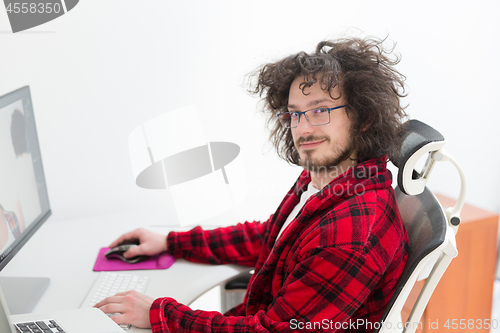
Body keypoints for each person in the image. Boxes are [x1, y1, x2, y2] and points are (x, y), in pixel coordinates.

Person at [96, 36, 410, 332]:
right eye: (295, 114)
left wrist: (159, 314)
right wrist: (171, 243)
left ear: (364, 116)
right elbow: (273, 238)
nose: (303, 129)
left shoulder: (351, 236)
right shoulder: (330, 176)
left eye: (320, 111)